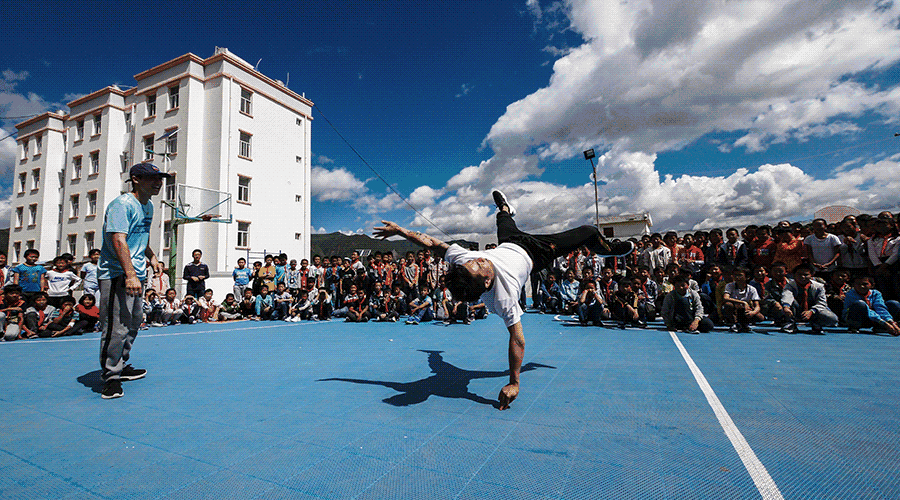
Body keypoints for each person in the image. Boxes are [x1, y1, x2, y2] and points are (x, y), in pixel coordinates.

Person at [374, 190, 633, 410]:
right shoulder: (503, 297)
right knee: (588, 231)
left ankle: (506, 208)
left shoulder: (464, 265)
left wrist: (399, 230)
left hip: (511, 242)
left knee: (503, 220)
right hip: (537, 251)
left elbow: (430, 242)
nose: (480, 258)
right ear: (486, 282)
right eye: (480, 265)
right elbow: (518, 338)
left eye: (475, 261)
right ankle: (611, 250)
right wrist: (514, 382)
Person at [97, 162, 168, 399]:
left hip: (136, 273)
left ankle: (121, 364)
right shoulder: (122, 204)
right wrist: (129, 274)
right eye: (152, 178)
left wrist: (153, 256)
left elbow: (140, 237)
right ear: (136, 179)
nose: (158, 183)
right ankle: (110, 377)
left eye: (160, 179)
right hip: (118, 272)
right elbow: (119, 239)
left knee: (135, 320)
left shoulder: (147, 206)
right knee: (116, 326)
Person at [780, 264, 838, 334]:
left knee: (832, 318)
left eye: (805, 275)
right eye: (799, 274)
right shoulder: (790, 285)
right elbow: (787, 295)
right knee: (789, 303)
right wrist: (786, 307)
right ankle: (790, 323)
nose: (802, 277)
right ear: (794, 275)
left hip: (812, 311)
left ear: (811, 275)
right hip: (796, 310)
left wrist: (812, 311)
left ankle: (816, 323)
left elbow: (822, 303)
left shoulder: (819, 286)